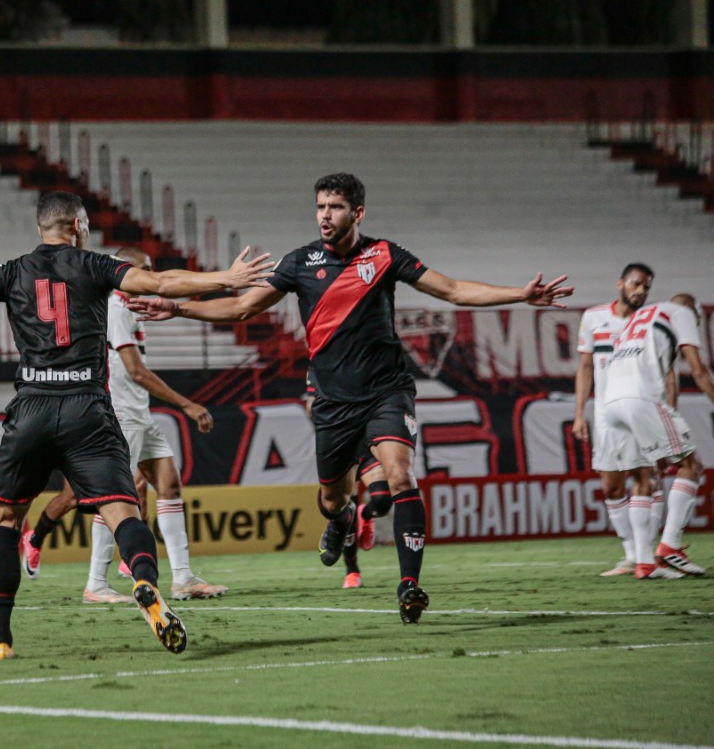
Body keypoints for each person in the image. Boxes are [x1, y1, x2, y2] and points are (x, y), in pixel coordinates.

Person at [0, 190, 273, 658]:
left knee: (5, 520)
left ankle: (0, 641)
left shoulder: (11, 270)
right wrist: (226, 277)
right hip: (88, 409)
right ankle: (144, 582)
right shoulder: (97, 265)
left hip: (33, 408)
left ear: (40, 230)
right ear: (78, 226)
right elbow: (157, 284)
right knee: (124, 511)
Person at [130, 173, 573, 624]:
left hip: (387, 392)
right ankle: (341, 521)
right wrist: (180, 307)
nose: (325, 215)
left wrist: (521, 294)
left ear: (357, 213)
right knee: (331, 499)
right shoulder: (300, 262)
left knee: (400, 477)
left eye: (335, 207)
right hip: (332, 402)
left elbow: (453, 290)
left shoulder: (384, 255)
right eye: (320, 206)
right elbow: (241, 307)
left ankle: (409, 586)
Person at [23, 246, 228, 604]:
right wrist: (187, 404)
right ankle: (96, 583)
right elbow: (135, 371)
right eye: (144, 269)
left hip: (139, 414)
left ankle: (183, 578)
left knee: (169, 484)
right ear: (124, 270)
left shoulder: (131, 309)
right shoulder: (115, 308)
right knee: (114, 496)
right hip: (120, 415)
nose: (149, 276)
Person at [602, 293, 714, 579]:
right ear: (692, 311)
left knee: (643, 478)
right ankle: (670, 546)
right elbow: (699, 370)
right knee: (692, 466)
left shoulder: (641, 317)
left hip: (610, 403)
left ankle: (644, 563)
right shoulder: (681, 312)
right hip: (641, 400)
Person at [572, 264, 658, 576]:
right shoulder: (594, 317)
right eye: (636, 284)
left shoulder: (650, 321)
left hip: (639, 409)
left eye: (646, 287)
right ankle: (632, 554)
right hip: (605, 413)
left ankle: (647, 555)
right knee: (610, 486)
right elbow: (585, 367)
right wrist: (579, 413)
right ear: (620, 283)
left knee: (644, 476)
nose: (641, 291)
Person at [302, 370, 391, 589]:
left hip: (367, 440)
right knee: (345, 506)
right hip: (343, 441)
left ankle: (366, 514)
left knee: (382, 501)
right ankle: (352, 571)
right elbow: (310, 406)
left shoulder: (371, 359)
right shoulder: (323, 361)